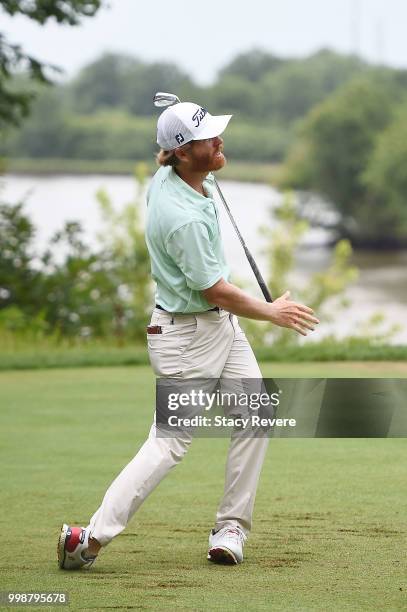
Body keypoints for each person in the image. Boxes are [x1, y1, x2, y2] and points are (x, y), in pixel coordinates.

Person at [57, 100, 319, 569]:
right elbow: (216, 290)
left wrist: (188, 122)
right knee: (170, 442)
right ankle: (88, 539)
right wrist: (273, 312)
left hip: (217, 329)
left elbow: (195, 157)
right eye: (209, 139)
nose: (221, 142)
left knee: (256, 412)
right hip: (186, 339)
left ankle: (231, 528)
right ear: (180, 153)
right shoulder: (183, 218)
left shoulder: (181, 174)